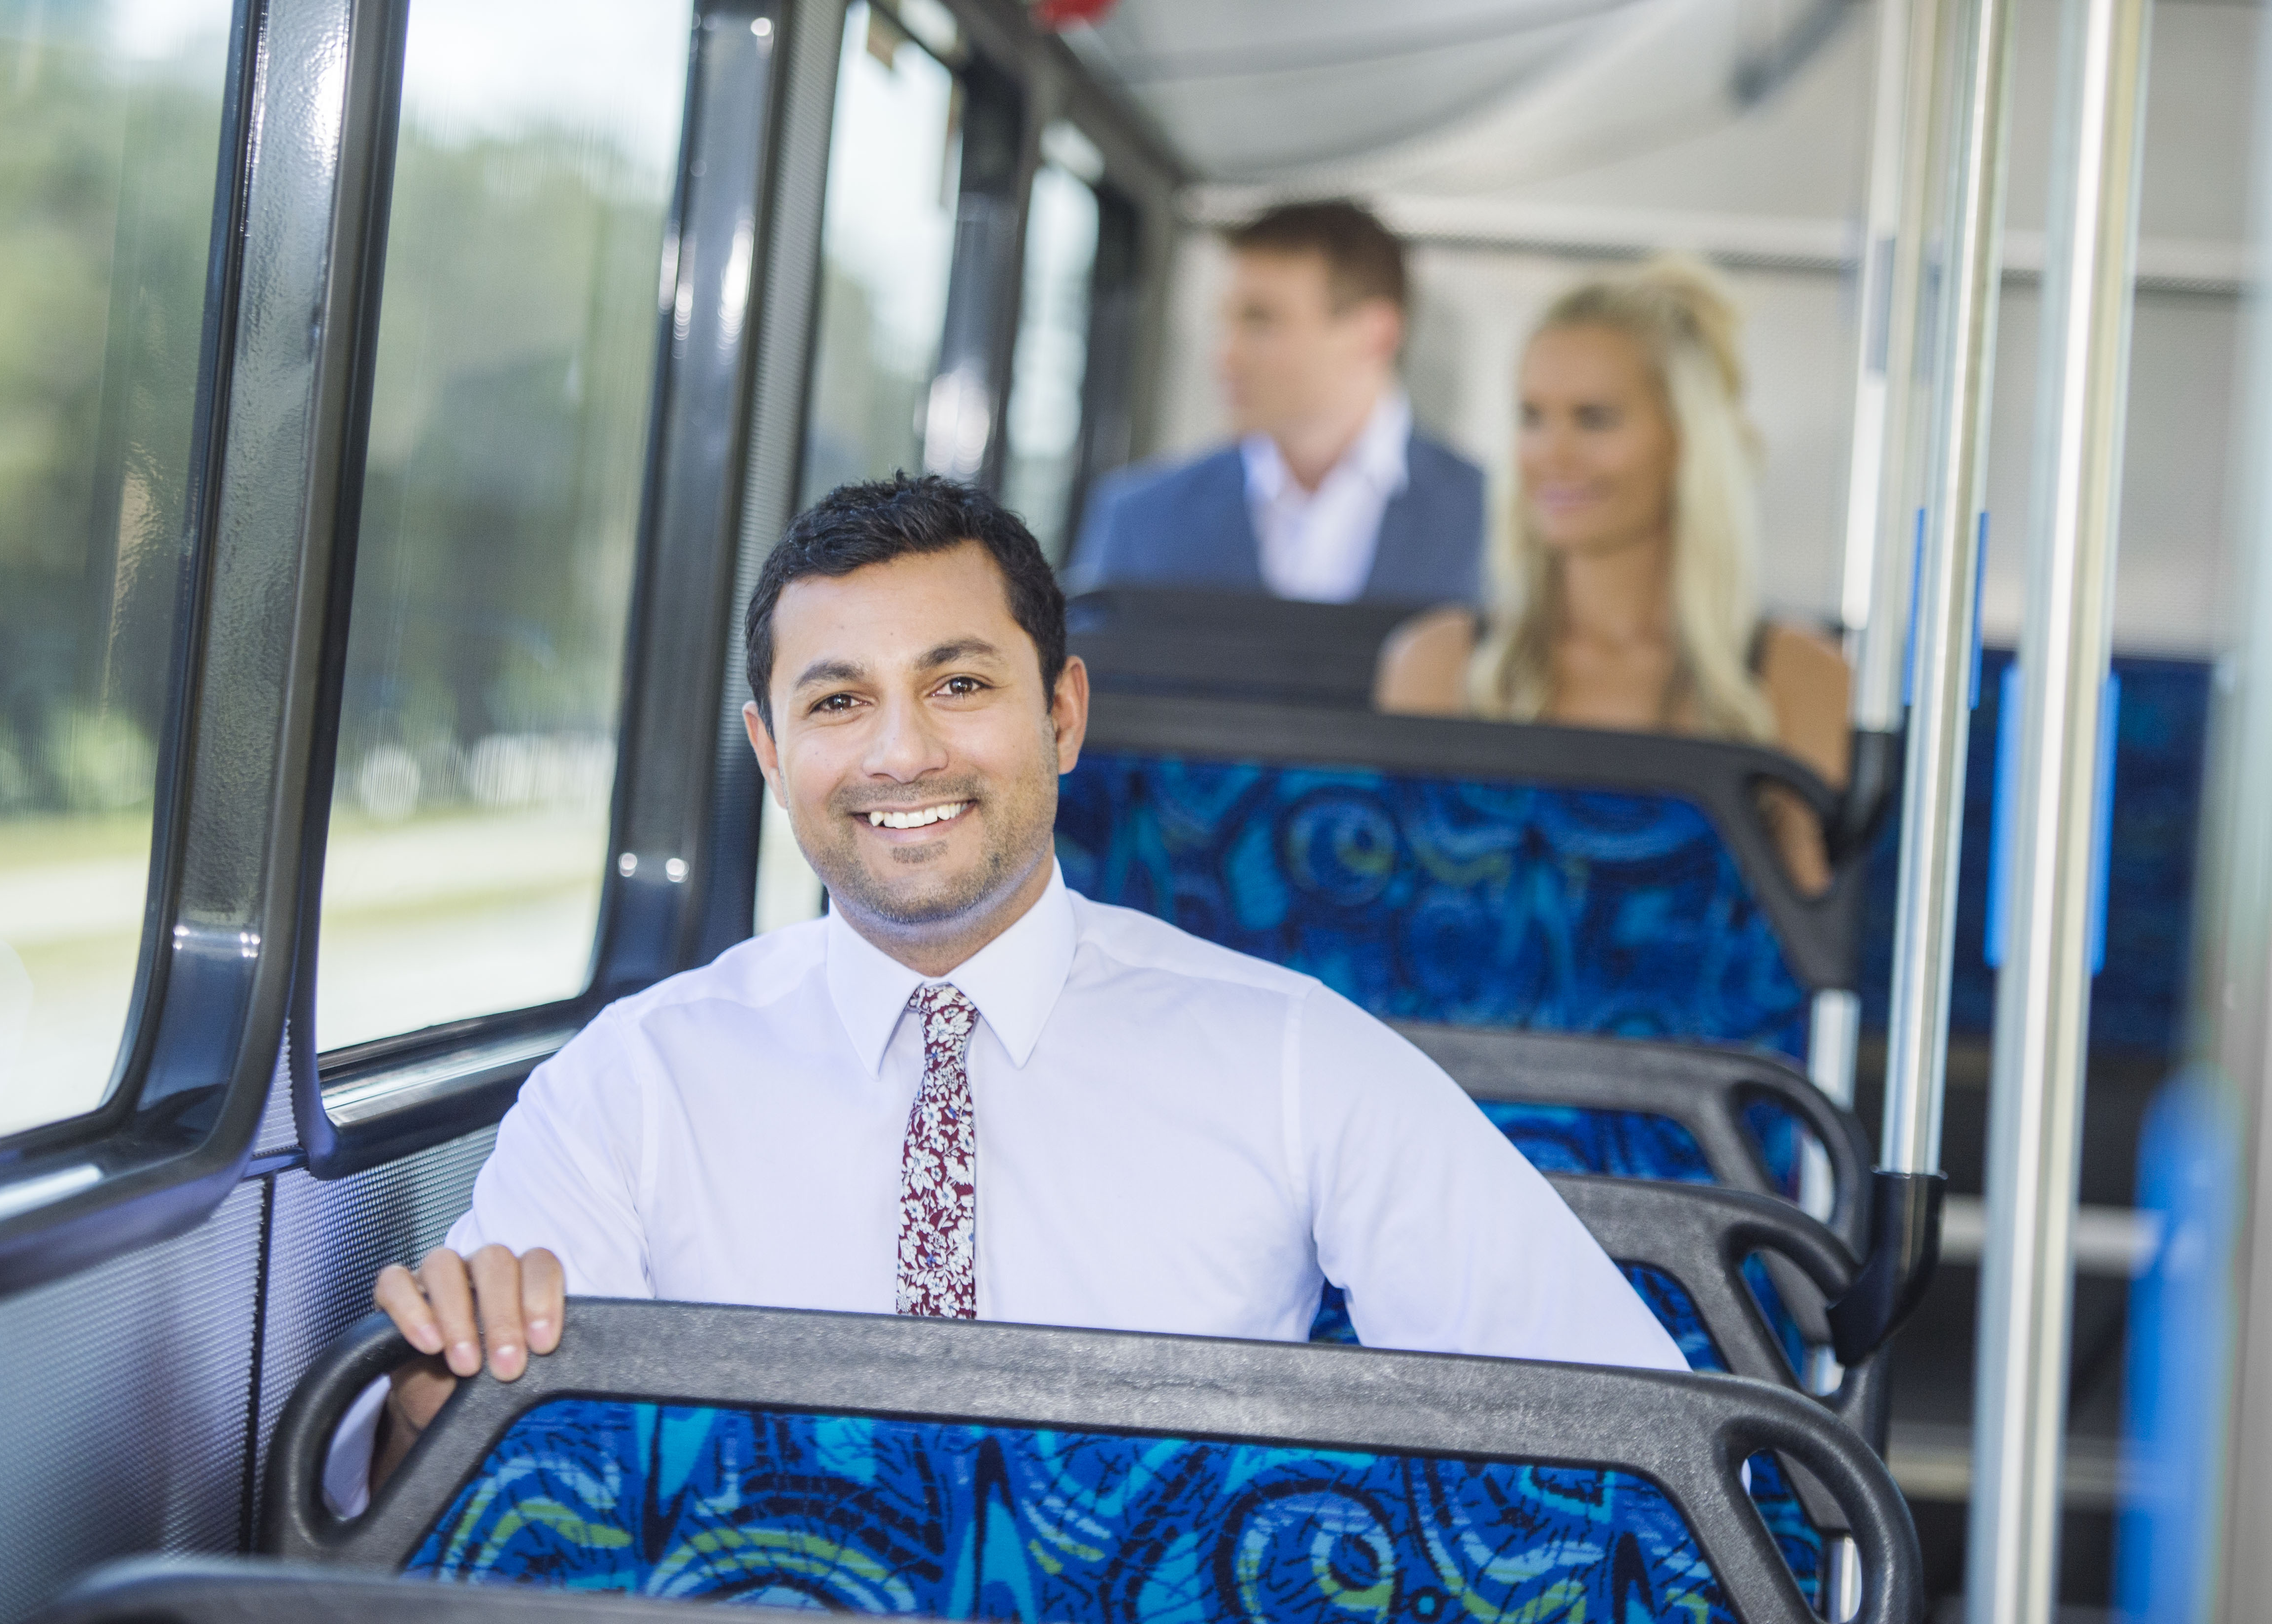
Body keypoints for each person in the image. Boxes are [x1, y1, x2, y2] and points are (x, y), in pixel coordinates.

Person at [341, 474, 1682, 1509]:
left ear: (1064, 715)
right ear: (768, 751)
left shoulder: (1296, 1060)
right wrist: (426, 1410)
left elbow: (1627, 1441)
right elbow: (486, 1503)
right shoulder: (626, 1088)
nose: (902, 751)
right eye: (837, 704)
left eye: (961, 684)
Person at [1374, 257, 1850, 885]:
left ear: (1684, 441)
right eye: (1532, 417)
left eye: (1593, 418)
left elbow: (1815, 949)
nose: (1552, 454)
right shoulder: (1435, 663)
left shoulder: (1799, 677)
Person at [1069, 201, 1484, 607]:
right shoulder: (1140, 521)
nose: (1225, 356)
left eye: (1260, 321)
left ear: (1375, 336)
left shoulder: (1495, 522)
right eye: (1225, 323)